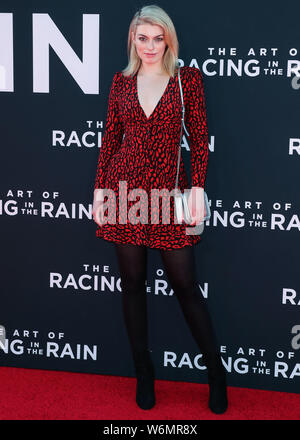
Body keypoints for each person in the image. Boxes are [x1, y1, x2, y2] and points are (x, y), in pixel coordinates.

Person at [92, 5, 228, 414]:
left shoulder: (187, 79)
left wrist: (199, 187)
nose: (150, 46)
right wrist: (100, 191)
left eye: (157, 37)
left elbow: (200, 138)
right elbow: (110, 139)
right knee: (132, 284)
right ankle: (143, 371)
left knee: (187, 288)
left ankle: (216, 373)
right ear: (132, 40)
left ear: (168, 38)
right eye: (142, 38)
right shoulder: (121, 82)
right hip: (124, 195)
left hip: (168, 197)